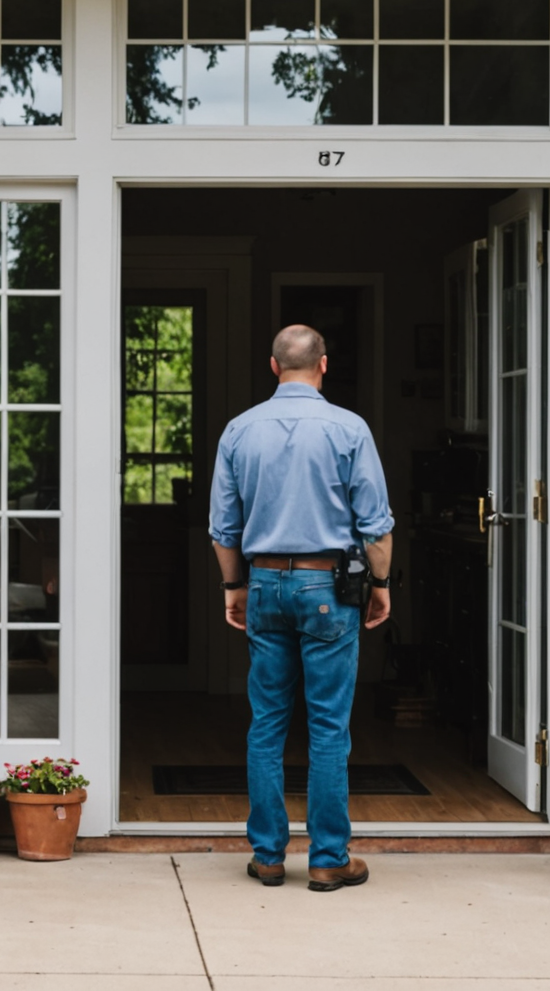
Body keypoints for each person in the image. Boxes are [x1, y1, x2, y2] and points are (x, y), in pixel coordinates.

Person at [208, 324, 394, 893]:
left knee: (267, 723)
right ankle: (327, 858)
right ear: (324, 365)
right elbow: (376, 527)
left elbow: (223, 528)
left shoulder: (240, 430)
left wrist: (233, 586)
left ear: (273, 367)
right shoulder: (348, 429)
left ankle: (267, 856)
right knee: (328, 726)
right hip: (327, 590)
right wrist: (381, 583)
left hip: (263, 583)